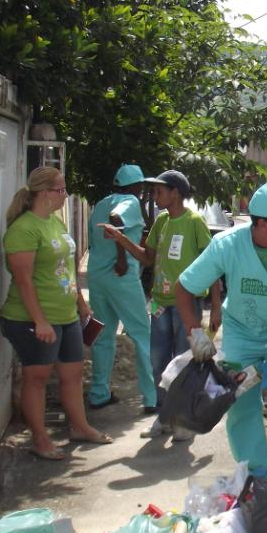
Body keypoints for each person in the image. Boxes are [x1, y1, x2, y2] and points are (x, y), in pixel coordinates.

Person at [175, 183, 267, 479]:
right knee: (241, 406)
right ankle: (255, 476)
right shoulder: (227, 246)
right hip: (242, 337)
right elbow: (184, 287)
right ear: (263, 224)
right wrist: (196, 333)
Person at [0, 166, 113, 460]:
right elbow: (23, 281)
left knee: (72, 375)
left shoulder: (56, 224)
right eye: (61, 190)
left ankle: (80, 427)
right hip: (32, 319)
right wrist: (39, 320)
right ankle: (40, 439)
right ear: (44, 193)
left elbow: (68, 269)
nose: (65, 195)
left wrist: (80, 303)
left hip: (67, 316)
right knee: (36, 378)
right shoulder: (24, 229)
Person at [98, 170, 220, 437]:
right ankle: (164, 418)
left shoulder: (194, 222)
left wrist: (216, 306)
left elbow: (213, 264)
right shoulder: (161, 221)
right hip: (160, 305)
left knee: (183, 363)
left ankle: (183, 420)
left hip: (187, 307)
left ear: (175, 192)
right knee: (158, 363)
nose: (155, 197)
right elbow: (147, 257)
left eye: (159, 192)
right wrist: (121, 239)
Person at [86, 164, 155, 411]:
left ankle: (98, 393)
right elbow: (117, 218)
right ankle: (152, 398)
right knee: (142, 334)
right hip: (120, 275)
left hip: (97, 277)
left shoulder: (99, 205)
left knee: (103, 336)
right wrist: (123, 257)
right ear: (136, 186)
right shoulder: (129, 201)